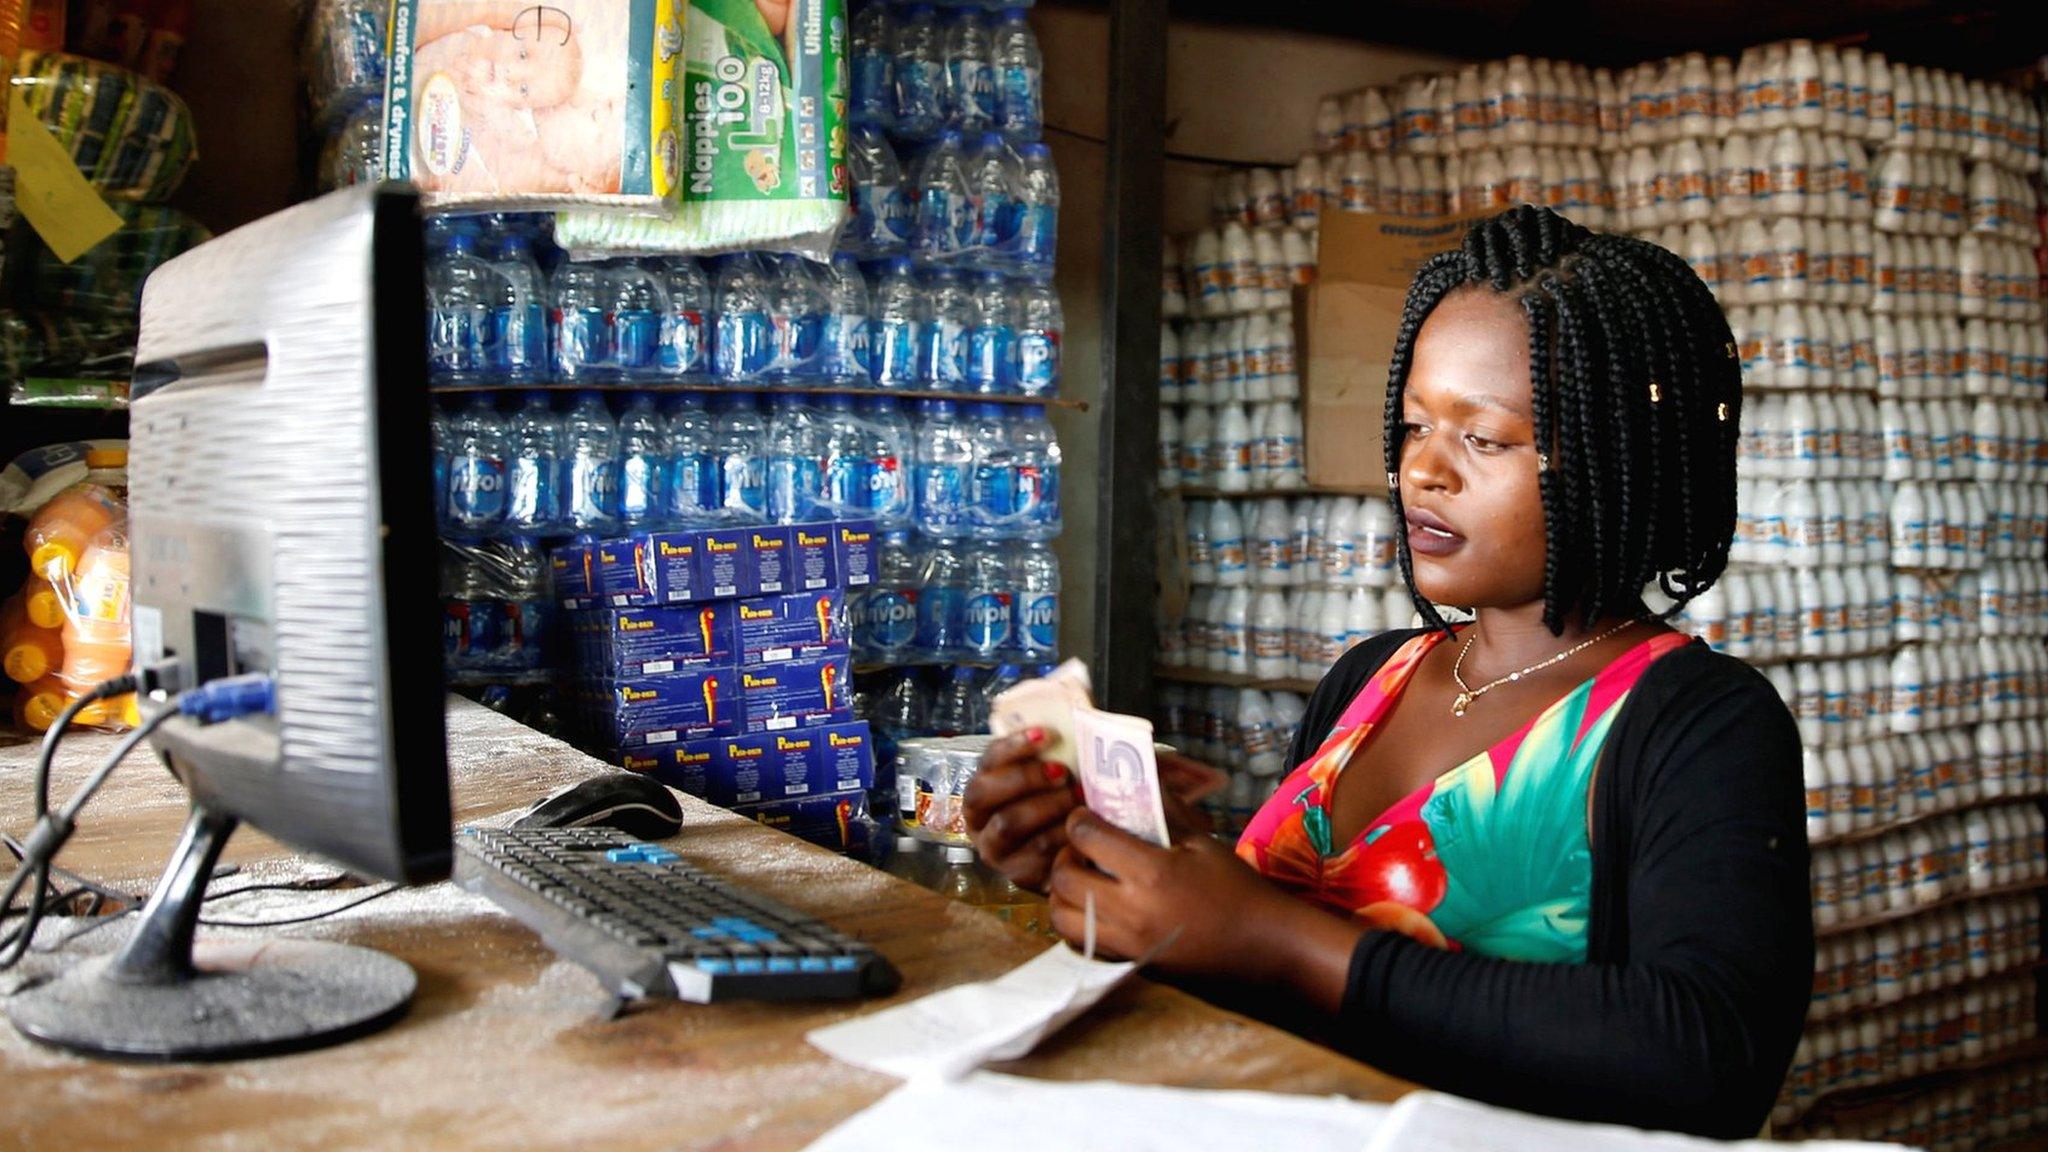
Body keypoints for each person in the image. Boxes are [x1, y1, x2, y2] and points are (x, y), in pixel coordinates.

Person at [964, 205, 1812, 1139]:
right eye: (1413, 427)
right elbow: (1260, 927)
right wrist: (1121, 855)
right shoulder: (1371, 678)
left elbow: (1707, 1055)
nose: (1422, 472)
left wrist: (1278, 943)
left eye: (1481, 439)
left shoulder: (1700, 722)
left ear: (1620, 457)